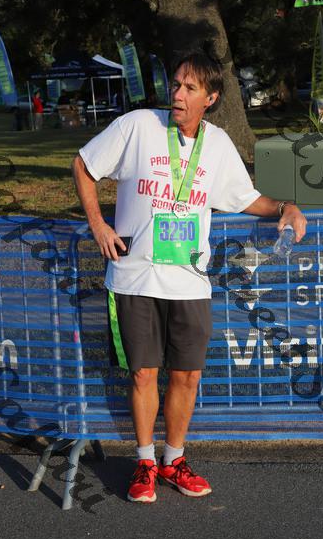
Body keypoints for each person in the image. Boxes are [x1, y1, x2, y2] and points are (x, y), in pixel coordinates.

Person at [72, 52, 307, 504]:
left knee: (187, 377)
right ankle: (145, 462)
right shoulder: (138, 126)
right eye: (176, 84)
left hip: (190, 281)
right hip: (135, 278)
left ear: (210, 98)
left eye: (190, 88)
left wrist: (285, 207)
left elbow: (245, 197)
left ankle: (174, 460)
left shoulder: (216, 143)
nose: (177, 94)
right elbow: (82, 166)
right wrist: (98, 225)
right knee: (143, 375)